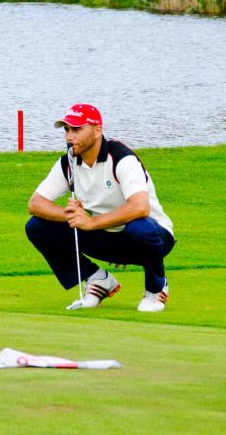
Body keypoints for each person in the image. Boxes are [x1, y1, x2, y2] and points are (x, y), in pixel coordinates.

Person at [25, 104, 175, 312]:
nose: (69, 137)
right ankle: (97, 279)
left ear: (97, 130)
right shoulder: (68, 162)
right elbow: (35, 203)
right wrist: (71, 215)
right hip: (103, 236)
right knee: (37, 226)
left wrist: (90, 222)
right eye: (66, 130)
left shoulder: (122, 158)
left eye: (76, 130)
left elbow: (140, 208)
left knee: (140, 227)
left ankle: (155, 289)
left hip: (151, 238)